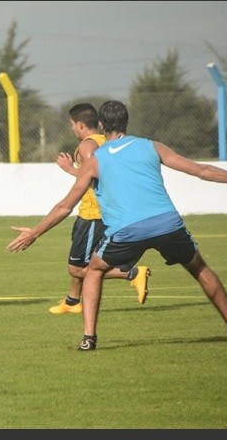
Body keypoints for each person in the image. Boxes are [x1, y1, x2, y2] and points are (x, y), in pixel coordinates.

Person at [7, 100, 227, 351]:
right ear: (126, 122)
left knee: (93, 269)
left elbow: (65, 206)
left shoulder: (96, 161)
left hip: (127, 231)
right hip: (167, 224)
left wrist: (35, 232)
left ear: (101, 125)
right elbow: (200, 171)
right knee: (199, 267)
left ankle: (89, 338)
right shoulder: (152, 146)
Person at [49, 103, 150, 315]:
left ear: (80, 124)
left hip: (93, 214)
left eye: (72, 125)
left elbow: (94, 176)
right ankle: (72, 300)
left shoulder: (87, 146)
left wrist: (69, 169)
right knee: (81, 258)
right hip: (101, 212)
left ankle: (131, 274)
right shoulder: (105, 140)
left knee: (77, 266)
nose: (72, 129)